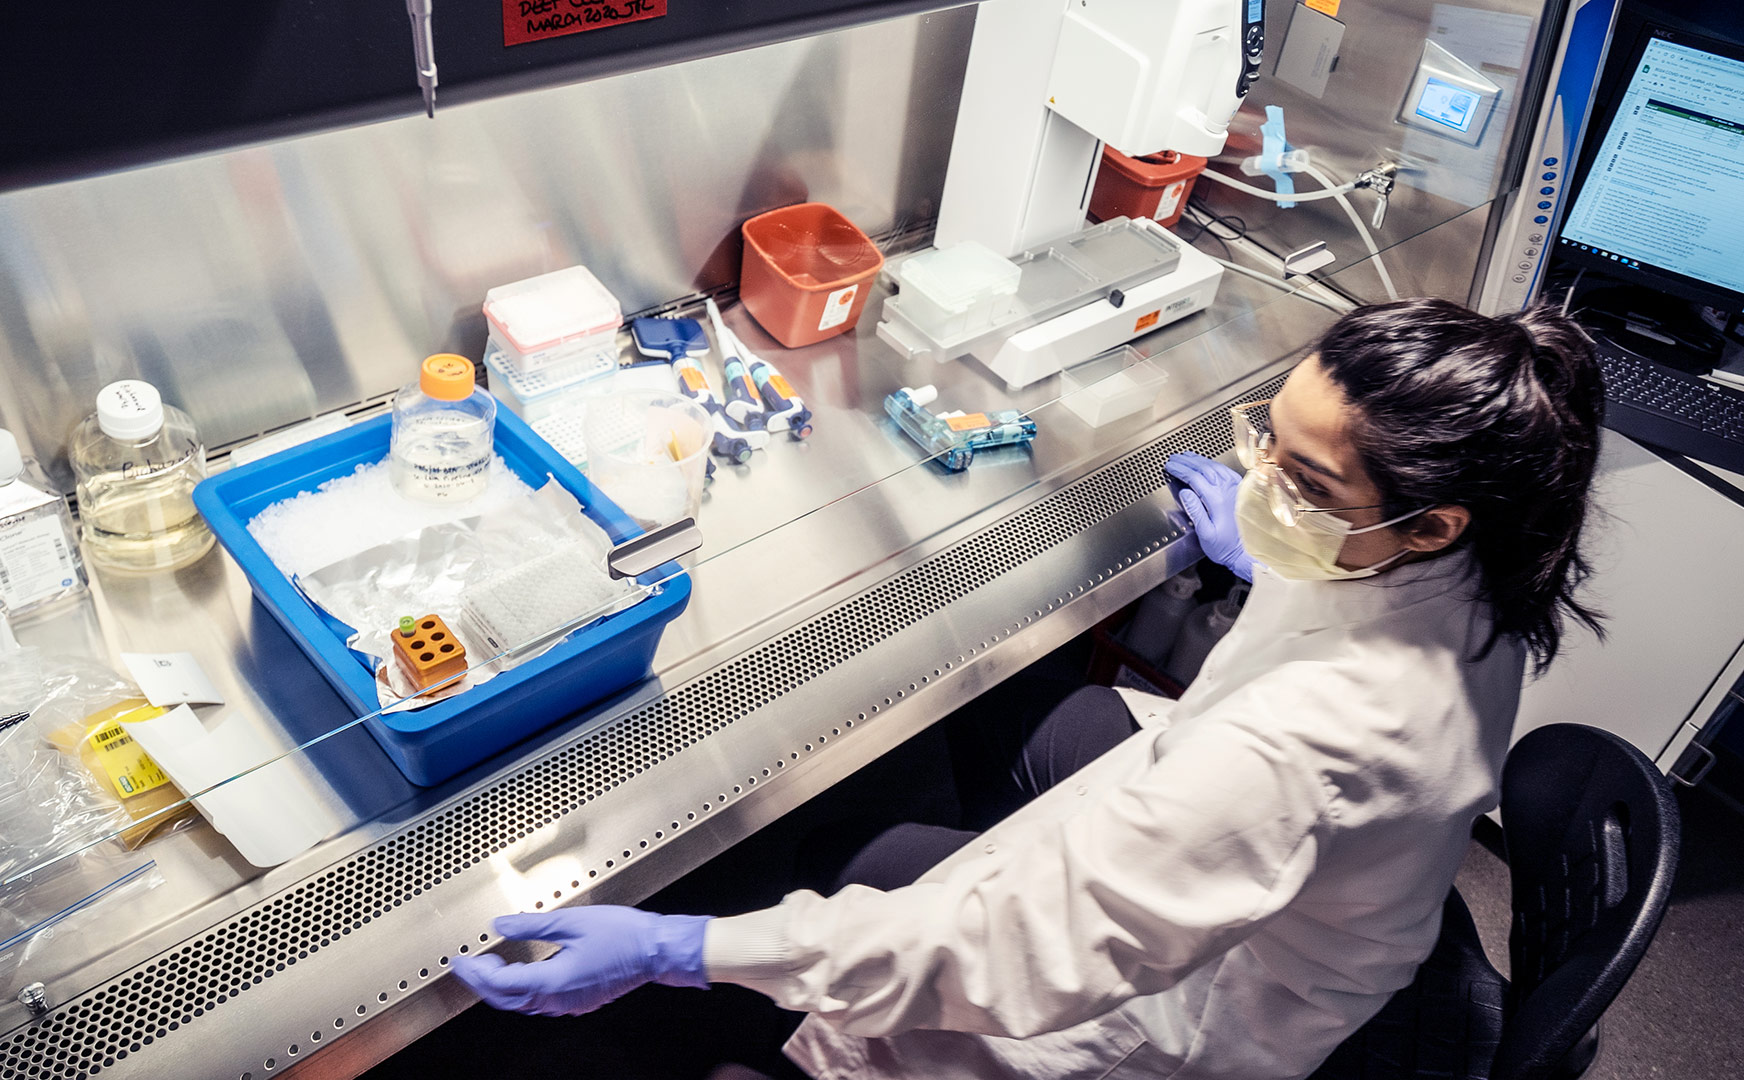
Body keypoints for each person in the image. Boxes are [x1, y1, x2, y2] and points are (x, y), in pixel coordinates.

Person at [451, 298, 1607, 1079]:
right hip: (1293, 862)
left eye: (1301, 478)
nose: (1260, 477)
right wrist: (1272, 577)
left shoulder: (1301, 749)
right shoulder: (1481, 562)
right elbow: (1336, 646)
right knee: (1025, 715)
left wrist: (671, 948)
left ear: (1428, 522)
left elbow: (1003, 956)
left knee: (842, 883)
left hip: (1212, 998)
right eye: (1268, 436)